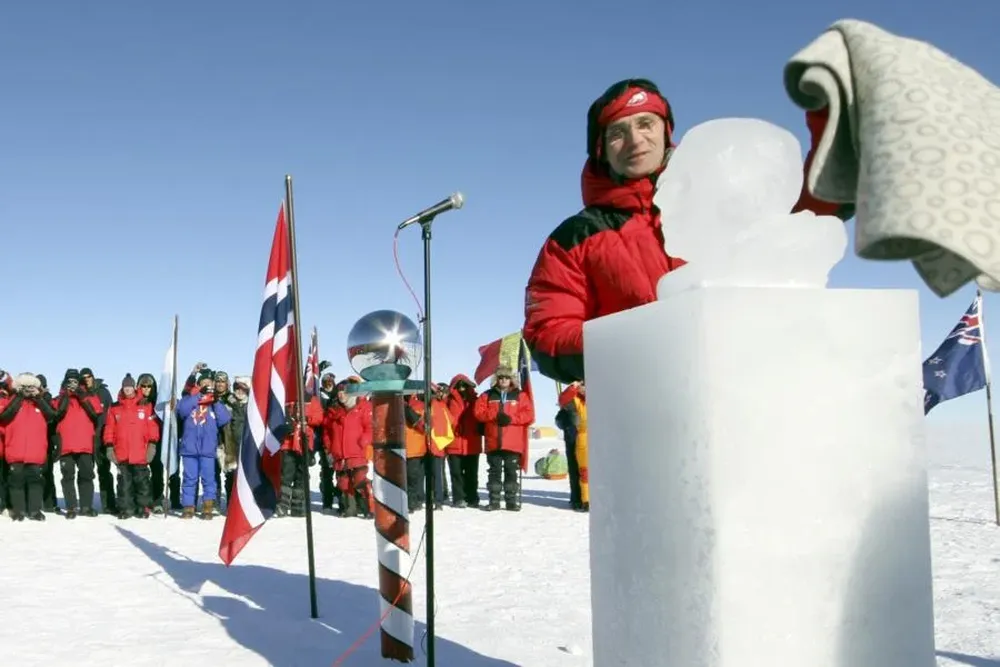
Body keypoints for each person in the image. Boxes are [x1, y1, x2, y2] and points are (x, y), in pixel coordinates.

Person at [522, 78, 848, 383]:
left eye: (645, 124)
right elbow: (546, 336)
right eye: (617, 132)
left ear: (666, 131)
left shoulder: (720, 193)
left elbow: (804, 210)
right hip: (647, 403)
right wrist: (645, 338)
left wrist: (830, 126)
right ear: (600, 149)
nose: (636, 140)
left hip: (757, 383)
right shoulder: (574, 238)